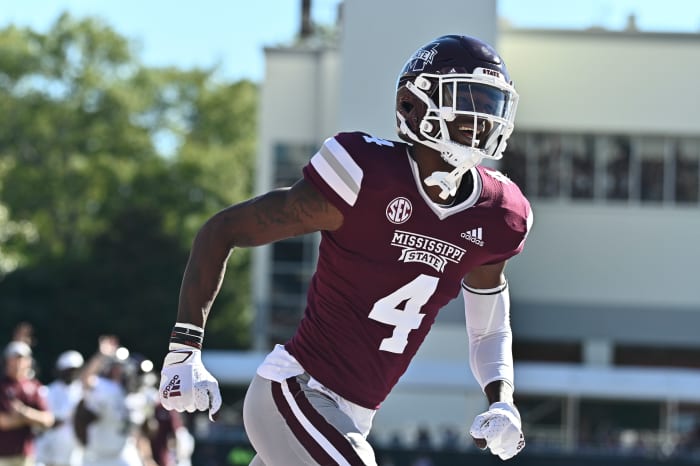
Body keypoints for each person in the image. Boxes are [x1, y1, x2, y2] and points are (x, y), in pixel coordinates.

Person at [159, 34, 533, 465]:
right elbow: (221, 230)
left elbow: (489, 328)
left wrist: (502, 400)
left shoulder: (499, 213)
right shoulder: (363, 174)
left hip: (354, 417)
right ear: (416, 104)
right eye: (468, 98)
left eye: (491, 102)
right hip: (296, 389)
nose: (482, 116)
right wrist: (184, 350)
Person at [73, 338, 156, 466]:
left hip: (123, 454)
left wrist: (147, 458)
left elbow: (138, 433)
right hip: (97, 456)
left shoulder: (140, 398)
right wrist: (100, 356)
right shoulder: (108, 388)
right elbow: (85, 380)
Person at [0, 340, 55, 466]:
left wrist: (24, 412)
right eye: (14, 359)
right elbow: (3, 422)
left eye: (22, 359)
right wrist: (30, 419)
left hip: (26, 454)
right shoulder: (2, 386)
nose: (18, 363)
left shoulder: (34, 386)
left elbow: (48, 419)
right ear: (7, 360)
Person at [35, 350, 86, 466]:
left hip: (75, 452)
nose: (72, 373)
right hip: (51, 450)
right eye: (68, 370)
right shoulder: (47, 391)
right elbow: (50, 421)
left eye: (75, 370)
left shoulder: (82, 390)